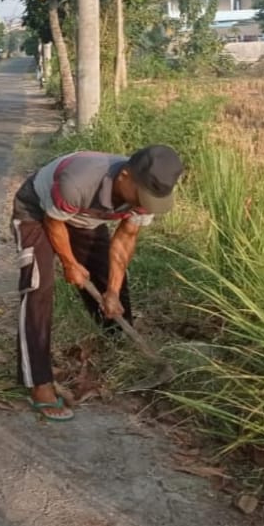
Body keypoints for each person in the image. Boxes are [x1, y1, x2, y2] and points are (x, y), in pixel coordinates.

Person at [12, 145, 184, 421]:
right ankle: (38, 383)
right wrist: (70, 264)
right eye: (143, 197)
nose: (144, 205)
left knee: (110, 283)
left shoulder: (143, 196)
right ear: (125, 176)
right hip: (37, 211)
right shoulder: (78, 180)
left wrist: (112, 292)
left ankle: (118, 350)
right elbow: (54, 223)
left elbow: (125, 238)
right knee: (38, 288)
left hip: (86, 219)